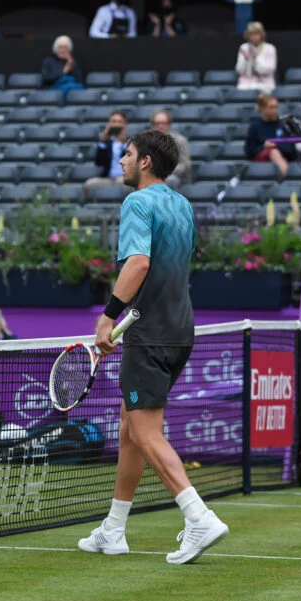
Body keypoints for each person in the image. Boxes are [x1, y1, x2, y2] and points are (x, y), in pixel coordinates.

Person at [78, 128, 228, 565]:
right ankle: (114, 529)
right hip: (181, 330)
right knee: (130, 430)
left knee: (145, 433)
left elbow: (140, 263)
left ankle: (198, 516)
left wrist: (108, 316)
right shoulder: (182, 205)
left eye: (126, 155)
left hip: (150, 334)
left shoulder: (137, 203)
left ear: (145, 161)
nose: (121, 162)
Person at [245, 94, 295, 180]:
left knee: (274, 151)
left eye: (276, 107)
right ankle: (288, 179)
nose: (275, 110)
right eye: (271, 107)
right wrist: (264, 146)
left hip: (283, 158)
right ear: (262, 109)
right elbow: (249, 151)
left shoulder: (283, 125)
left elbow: (291, 150)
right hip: (261, 160)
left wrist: (276, 145)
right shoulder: (255, 127)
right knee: (273, 152)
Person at [83, 110, 130, 197]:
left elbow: (132, 162)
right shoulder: (106, 143)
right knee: (89, 184)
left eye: (119, 122)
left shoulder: (131, 142)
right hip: (107, 179)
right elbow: (98, 162)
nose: (116, 125)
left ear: (125, 124)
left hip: (124, 178)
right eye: (113, 121)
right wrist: (103, 140)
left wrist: (124, 144)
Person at [150, 109, 191, 188]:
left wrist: (165, 172)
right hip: (153, 176)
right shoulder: (146, 142)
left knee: (170, 180)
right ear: (153, 125)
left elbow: (185, 164)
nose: (160, 126)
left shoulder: (180, 141)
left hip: (174, 176)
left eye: (164, 123)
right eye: (157, 123)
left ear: (169, 124)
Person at [235, 21, 276, 92]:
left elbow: (269, 70)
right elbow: (239, 70)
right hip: (245, 85)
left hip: (265, 85)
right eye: (251, 34)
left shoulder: (270, 48)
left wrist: (256, 58)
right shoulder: (244, 47)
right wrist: (246, 60)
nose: (254, 37)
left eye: (256, 34)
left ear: (262, 34)